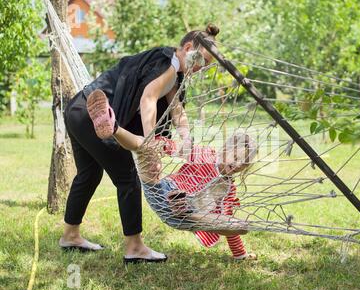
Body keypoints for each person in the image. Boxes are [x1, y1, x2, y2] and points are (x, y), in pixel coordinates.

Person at [59, 24, 219, 264]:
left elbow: (176, 109)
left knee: (89, 174)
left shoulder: (169, 69)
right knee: (128, 178)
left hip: (77, 109)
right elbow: (148, 99)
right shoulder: (169, 64)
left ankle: (70, 235)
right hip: (94, 117)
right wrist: (150, 144)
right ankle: (134, 247)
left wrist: (186, 138)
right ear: (188, 48)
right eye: (202, 61)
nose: (201, 68)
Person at [86, 89, 257, 261]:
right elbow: (178, 149)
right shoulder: (206, 156)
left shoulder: (228, 190)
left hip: (192, 217)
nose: (237, 165)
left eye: (243, 163)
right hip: (164, 193)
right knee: (146, 148)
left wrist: (240, 254)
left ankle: (183, 208)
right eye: (235, 157)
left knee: (240, 225)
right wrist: (160, 144)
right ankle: (112, 126)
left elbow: (225, 221)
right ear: (225, 149)